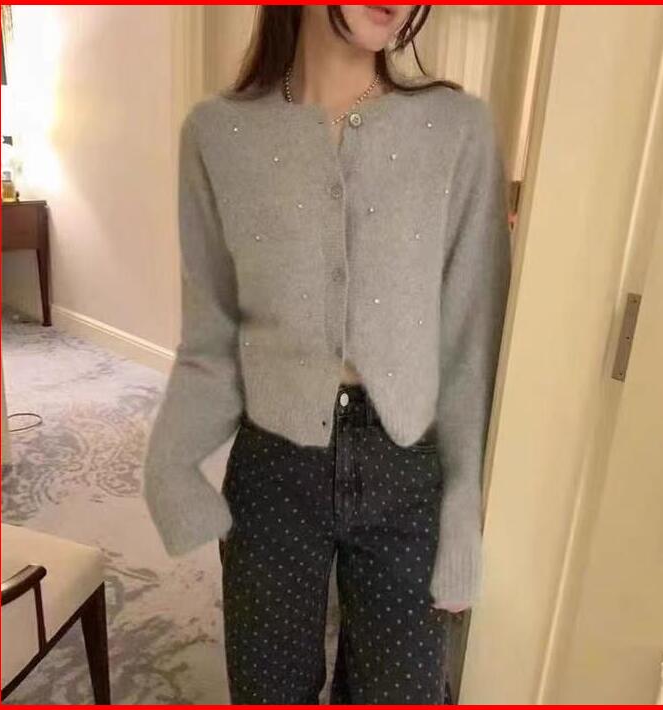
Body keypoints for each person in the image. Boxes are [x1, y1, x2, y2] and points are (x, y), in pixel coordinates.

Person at [142, 4, 512, 704]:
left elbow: (470, 343)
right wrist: (170, 463)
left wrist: (463, 509)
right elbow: (211, 339)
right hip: (273, 468)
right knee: (267, 694)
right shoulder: (218, 135)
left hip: (408, 472)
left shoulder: (456, 129)